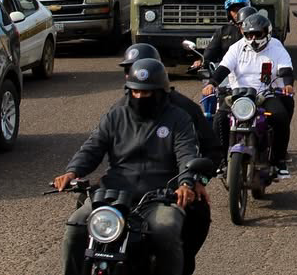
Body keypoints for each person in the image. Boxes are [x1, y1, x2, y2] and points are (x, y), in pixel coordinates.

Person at [53, 59, 201, 275]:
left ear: (161, 92)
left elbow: (187, 153)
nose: (140, 97)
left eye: (146, 92)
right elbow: (92, 147)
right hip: (113, 195)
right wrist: (72, 172)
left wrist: (186, 183)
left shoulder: (178, 119)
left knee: (166, 230)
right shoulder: (115, 116)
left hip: (159, 197)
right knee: (75, 228)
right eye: (135, 91)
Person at [118, 44, 217, 275]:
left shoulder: (184, 109)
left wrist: (197, 180)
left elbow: (213, 150)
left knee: (197, 213)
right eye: (129, 70)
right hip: (130, 184)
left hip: (173, 185)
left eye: (139, 68)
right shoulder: (121, 109)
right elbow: (98, 145)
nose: (134, 75)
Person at [203, 13, 295, 178]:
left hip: (266, 94)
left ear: (267, 32)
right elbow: (224, 68)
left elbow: (285, 69)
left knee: (280, 117)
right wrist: (212, 83)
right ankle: (221, 161)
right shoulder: (237, 47)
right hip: (238, 95)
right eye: (249, 34)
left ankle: (279, 161)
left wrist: (288, 85)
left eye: (257, 34)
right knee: (220, 119)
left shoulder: (276, 47)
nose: (253, 38)